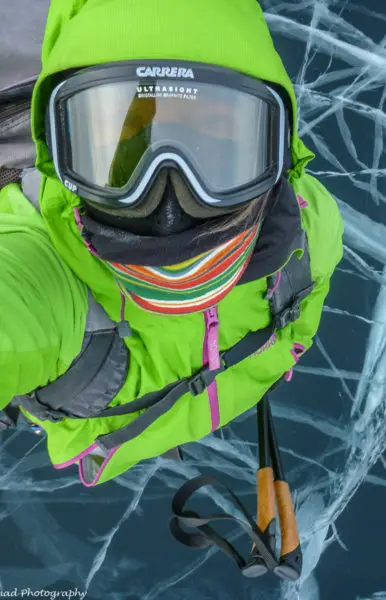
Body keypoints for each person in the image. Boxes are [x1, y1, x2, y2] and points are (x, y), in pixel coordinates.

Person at [0, 0, 344, 489]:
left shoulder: (310, 225)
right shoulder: (41, 273)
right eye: (125, 150)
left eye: (218, 146)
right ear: (62, 161)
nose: (168, 206)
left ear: (275, 157)